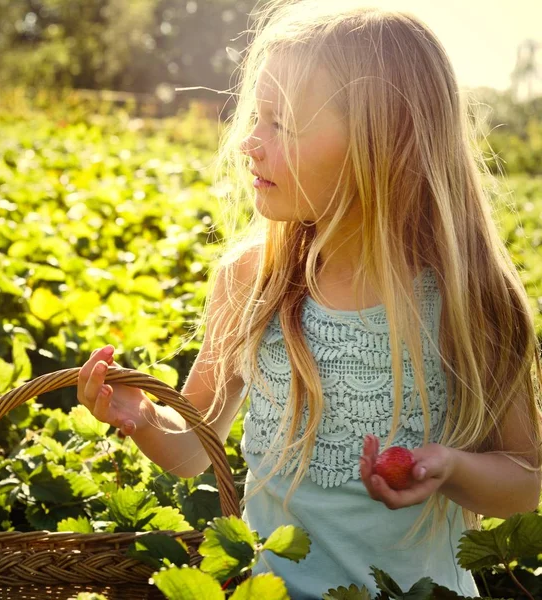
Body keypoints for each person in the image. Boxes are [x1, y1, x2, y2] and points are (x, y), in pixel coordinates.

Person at [77, 1, 542, 596]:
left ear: (382, 144)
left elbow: (525, 480)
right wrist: (140, 417)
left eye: (282, 123)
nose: (250, 142)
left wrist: (451, 468)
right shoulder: (253, 279)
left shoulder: (468, 299)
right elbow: (197, 445)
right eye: (256, 117)